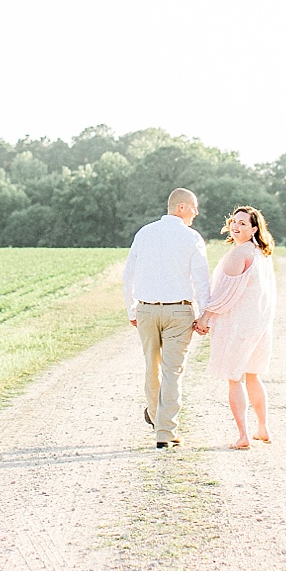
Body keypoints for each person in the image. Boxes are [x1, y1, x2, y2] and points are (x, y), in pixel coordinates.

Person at [122, 188, 211, 448]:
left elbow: (128, 275)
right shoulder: (191, 237)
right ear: (181, 207)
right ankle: (165, 431)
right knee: (172, 371)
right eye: (193, 207)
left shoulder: (144, 233)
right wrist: (205, 314)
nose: (196, 212)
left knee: (151, 365)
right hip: (179, 311)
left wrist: (131, 309)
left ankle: (154, 414)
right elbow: (202, 281)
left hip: (147, 310)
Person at [195, 206, 277, 450]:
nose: (236, 226)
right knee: (253, 375)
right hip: (259, 325)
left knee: (235, 378)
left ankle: (243, 435)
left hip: (240, 326)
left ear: (254, 229)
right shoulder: (261, 253)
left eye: (243, 223)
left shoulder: (239, 254)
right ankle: (262, 428)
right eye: (234, 221)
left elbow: (224, 295)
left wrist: (204, 318)